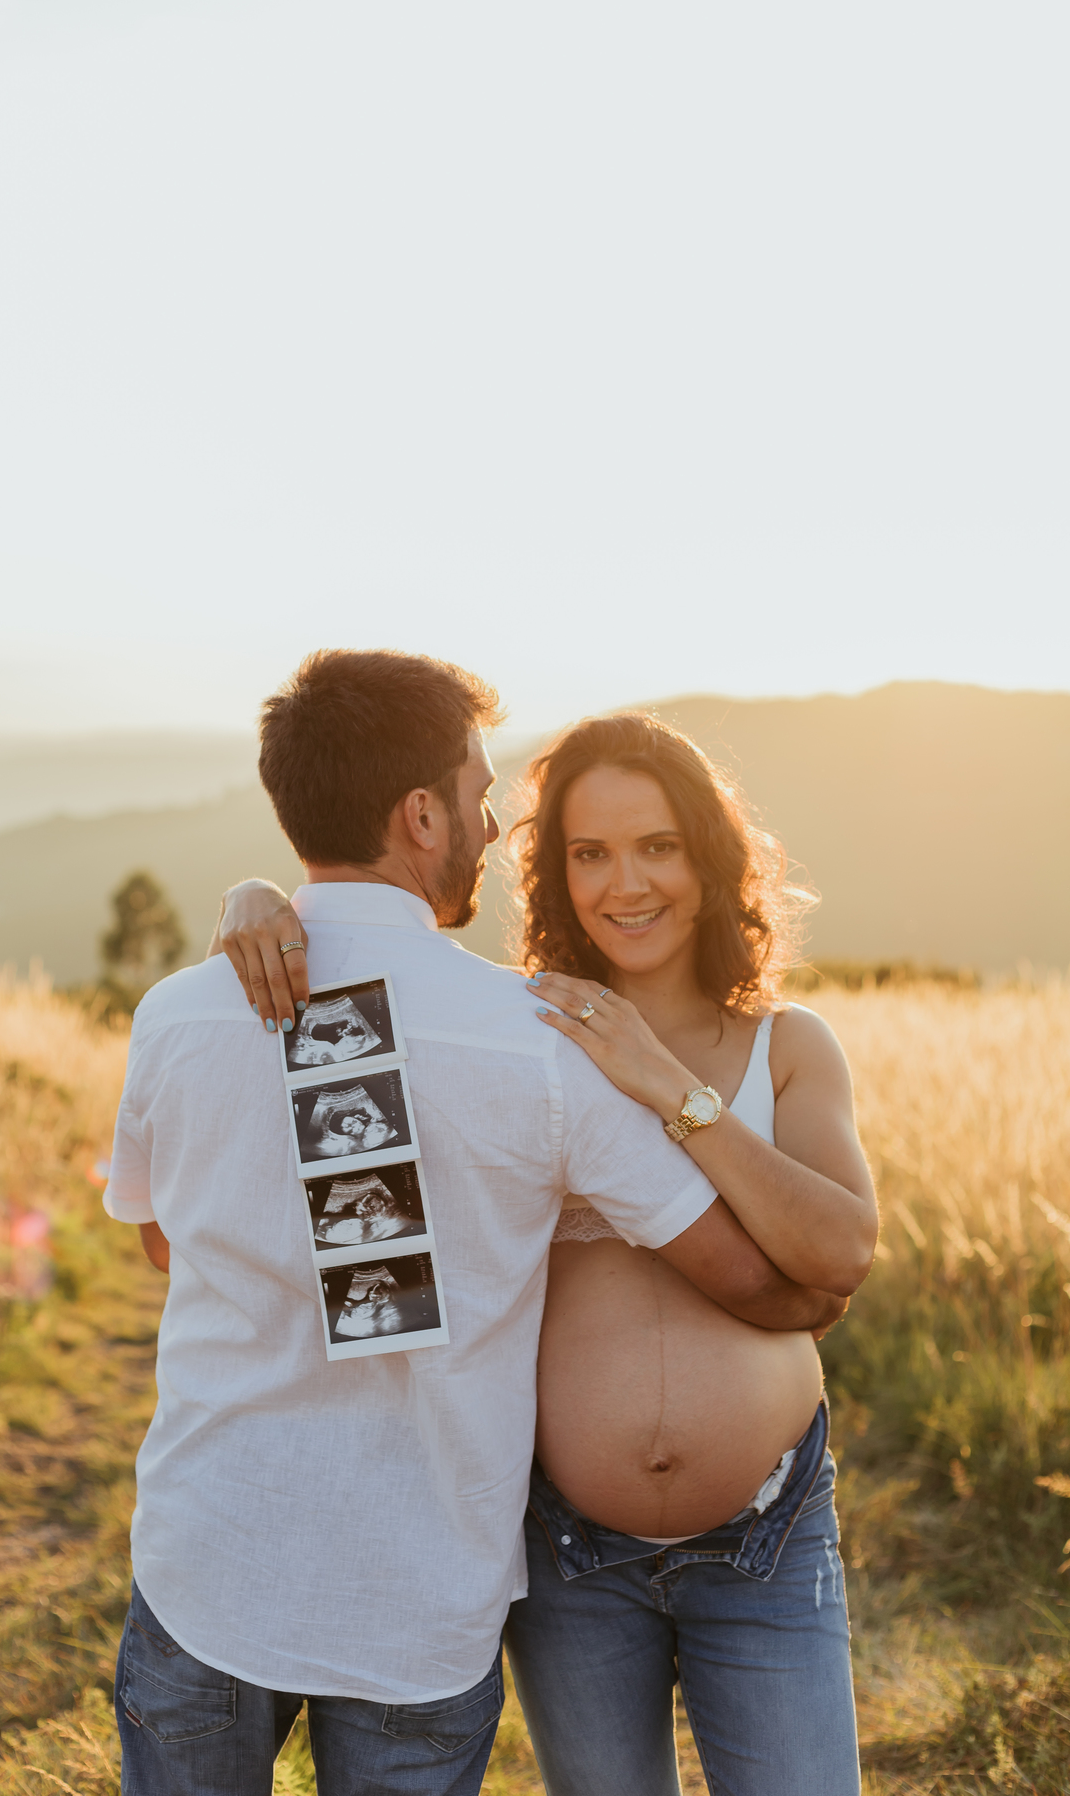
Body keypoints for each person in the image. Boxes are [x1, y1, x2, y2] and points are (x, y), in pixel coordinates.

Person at [104, 651, 845, 1796]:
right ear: (420, 815)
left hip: (214, 1561)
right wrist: (803, 1304)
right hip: (419, 1594)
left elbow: (163, 1241)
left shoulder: (180, 1013)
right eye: (479, 793)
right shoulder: (536, 1044)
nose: (492, 824)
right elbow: (755, 1281)